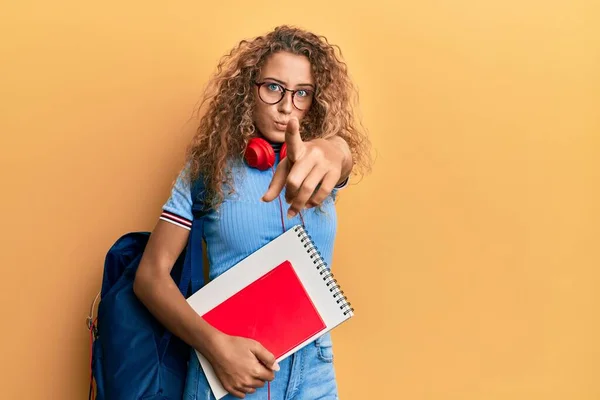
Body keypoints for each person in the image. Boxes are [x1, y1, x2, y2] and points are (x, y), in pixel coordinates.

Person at [133, 25, 371, 399]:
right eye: (273, 87)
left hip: (315, 374)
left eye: (302, 94)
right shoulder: (206, 169)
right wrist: (215, 347)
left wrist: (336, 148)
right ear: (249, 88)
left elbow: (340, 158)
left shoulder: (316, 165)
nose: (286, 106)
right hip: (230, 374)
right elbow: (149, 277)